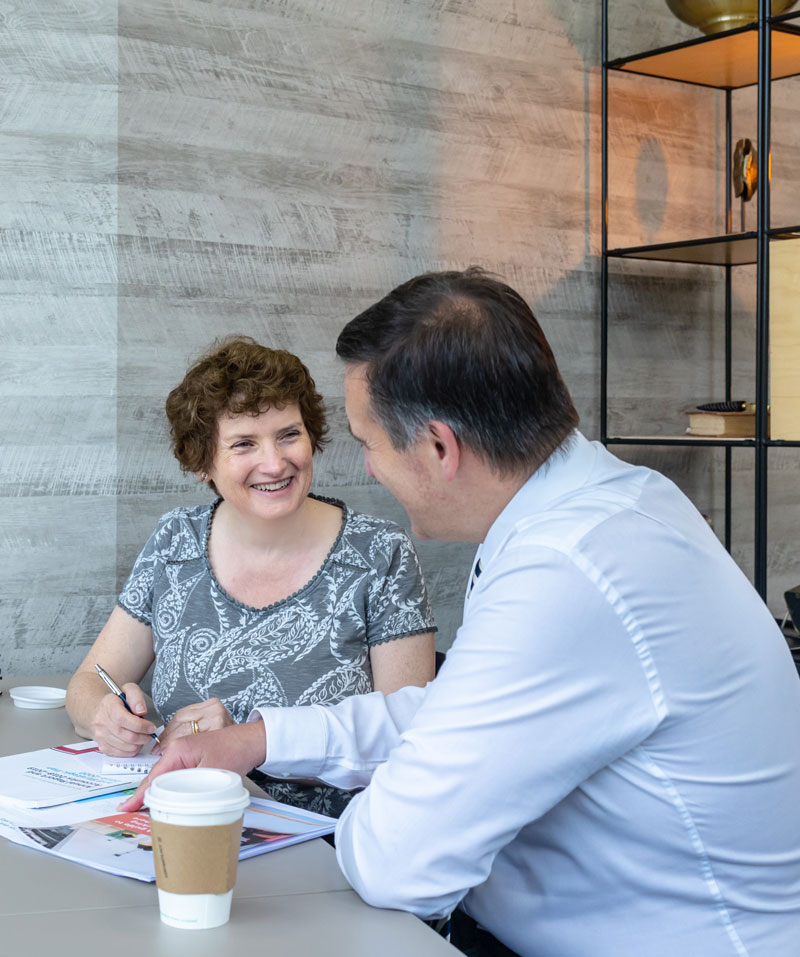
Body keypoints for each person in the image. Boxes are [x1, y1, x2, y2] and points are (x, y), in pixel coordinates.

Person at [122, 271, 800, 956]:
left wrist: (322, 810)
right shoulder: (613, 505)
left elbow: (396, 860)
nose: (365, 467)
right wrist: (260, 738)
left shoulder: (567, 568)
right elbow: (454, 712)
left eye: (368, 442)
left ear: (439, 448)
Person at [67, 336, 436, 816]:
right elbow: (88, 683)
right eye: (244, 443)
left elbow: (409, 738)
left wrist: (247, 737)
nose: (275, 462)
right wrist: (106, 716)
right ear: (203, 463)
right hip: (190, 816)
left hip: (332, 841)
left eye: (288, 434)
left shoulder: (380, 554)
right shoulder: (175, 541)